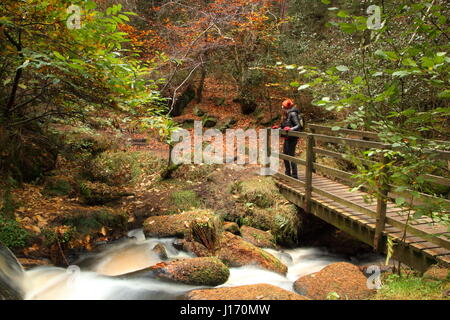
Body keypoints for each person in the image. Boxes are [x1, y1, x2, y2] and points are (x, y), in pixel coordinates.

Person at [272, 99, 304, 179]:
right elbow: (285, 125)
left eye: (283, 107)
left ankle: (294, 175)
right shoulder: (287, 114)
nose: (282, 108)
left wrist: (290, 129)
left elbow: (298, 125)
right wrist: (278, 128)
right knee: (285, 154)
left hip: (292, 137)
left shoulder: (293, 113)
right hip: (287, 137)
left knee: (291, 155)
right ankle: (287, 173)